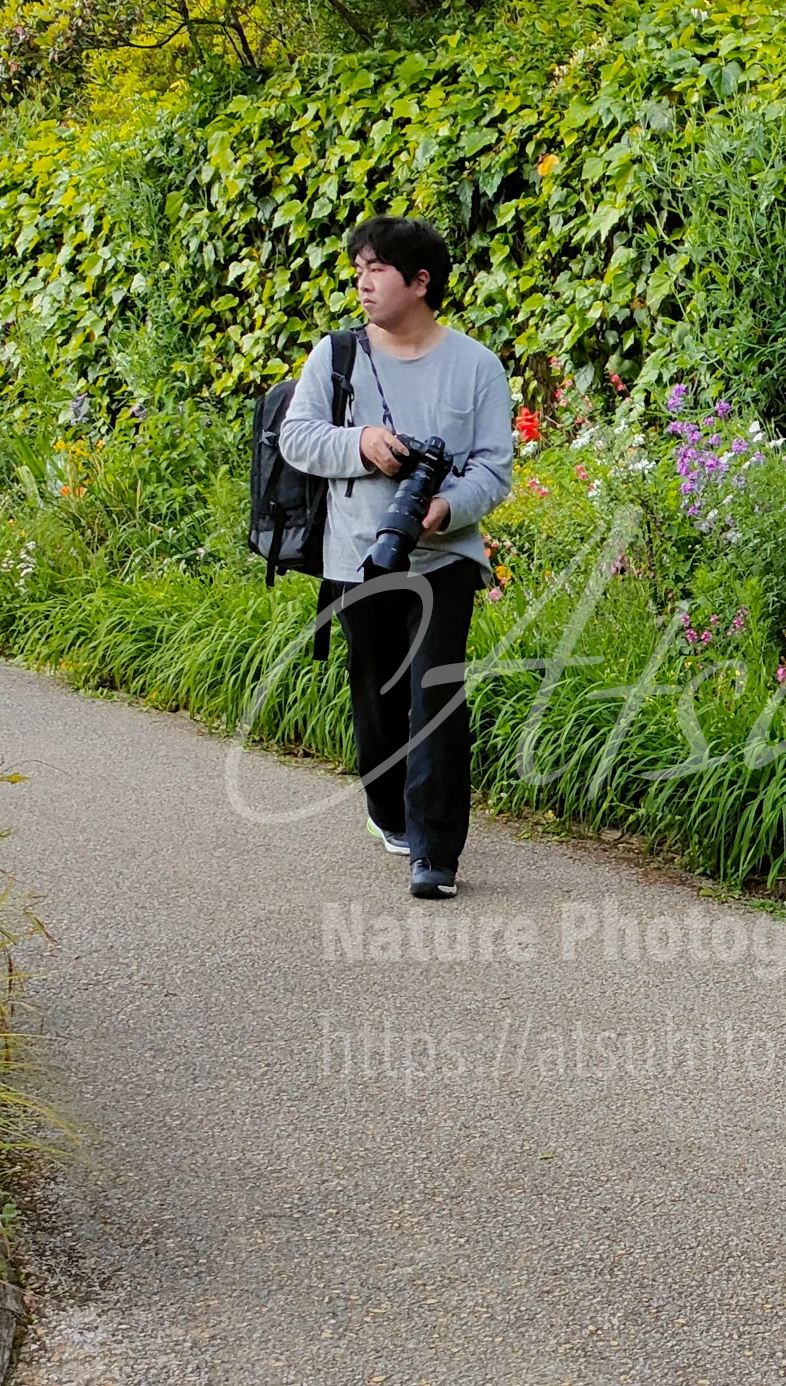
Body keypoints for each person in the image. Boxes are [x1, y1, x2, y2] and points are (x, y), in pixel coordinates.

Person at [279, 215, 513, 901]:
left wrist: (445, 508)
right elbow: (297, 438)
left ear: (421, 282)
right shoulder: (337, 356)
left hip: (443, 559)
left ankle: (436, 855)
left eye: (378, 268)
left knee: (436, 697)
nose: (362, 280)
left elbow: (494, 470)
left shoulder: (476, 365)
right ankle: (389, 811)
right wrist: (363, 444)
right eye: (358, 267)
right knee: (377, 697)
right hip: (358, 556)